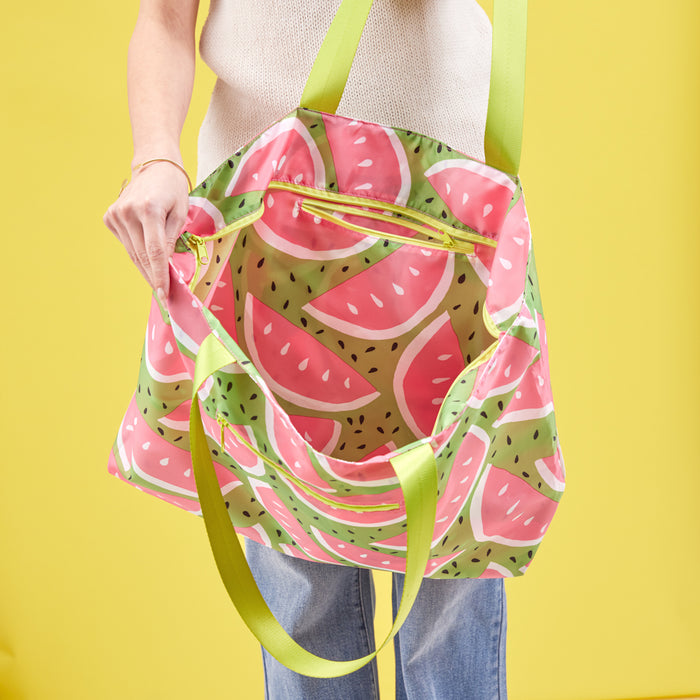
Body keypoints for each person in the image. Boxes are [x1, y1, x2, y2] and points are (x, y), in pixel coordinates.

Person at [104, 1, 507, 697]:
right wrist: (155, 158)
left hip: (446, 227)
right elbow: (165, 19)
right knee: (299, 586)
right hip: (264, 230)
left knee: (450, 585)